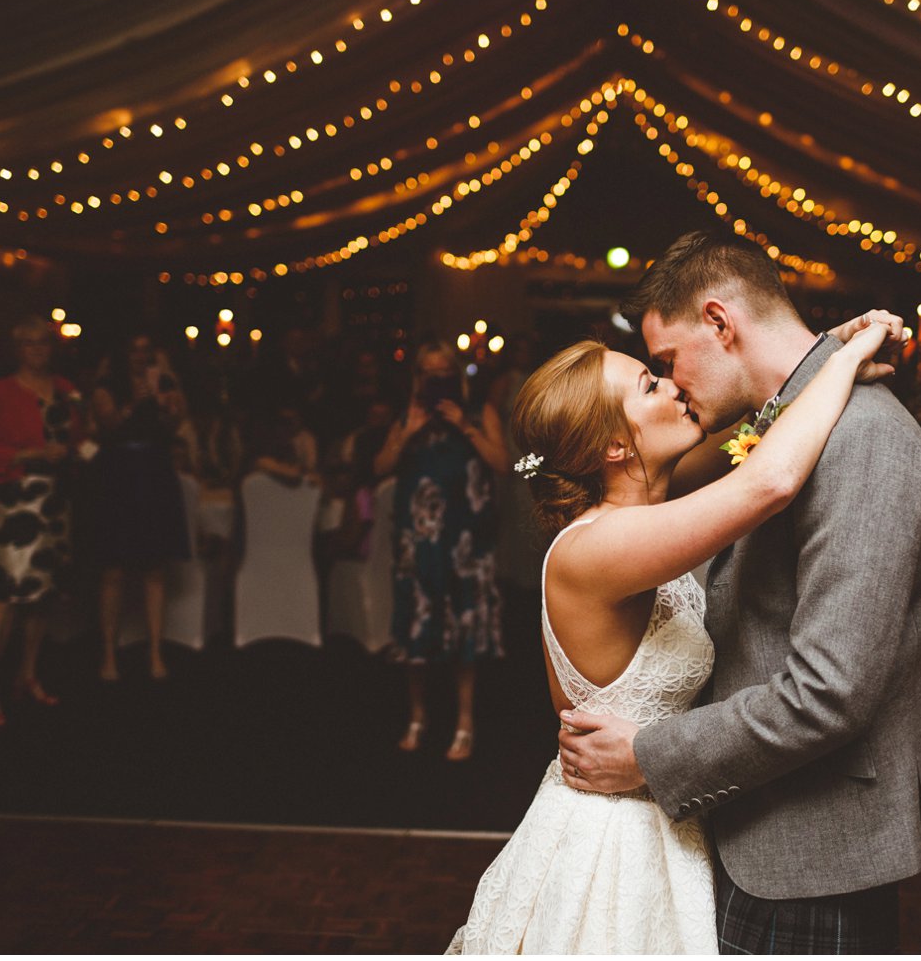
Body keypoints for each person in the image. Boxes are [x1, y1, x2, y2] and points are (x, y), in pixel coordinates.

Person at [553, 231, 921, 954]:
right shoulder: (790, 422)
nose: (674, 384)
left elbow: (829, 691)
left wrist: (652, 754)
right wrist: (837, 356)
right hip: (761, 828)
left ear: (720, 322)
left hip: (812, 847)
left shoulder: (863, 438)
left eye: (667, 363)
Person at [448, 310, 894, 953]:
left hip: (665, 813)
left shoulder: (658, 498)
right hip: (610, 838)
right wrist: (847, 362)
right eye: (650, 386)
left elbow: (764, 420)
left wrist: (822, 348)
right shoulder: (595, 548)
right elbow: (769, 479)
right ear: (613, 446)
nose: (674, 386)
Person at [374, 343, 510, 761]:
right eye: (428, 373)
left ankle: (464, 722)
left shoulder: (477, 412)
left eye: (443, 372)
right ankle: (417, 717)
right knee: (417, 628)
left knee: (464, 632)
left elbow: (503, 464)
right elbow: (379, 468)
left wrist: (465, 428)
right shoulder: (407, 415)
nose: (436, 380)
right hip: (418, 541)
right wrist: (409, 431)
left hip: (466, 541)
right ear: (418, 377)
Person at [0, 316, 86, 726]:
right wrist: (31, 455)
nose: (38, 350)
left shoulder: (65, 390)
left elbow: (79, 437)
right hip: (17, 500)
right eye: (30, 343)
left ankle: (27, 674)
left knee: (43, 592)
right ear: (17, 348)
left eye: (44, 343)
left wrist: (83, 452)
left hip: (55, 500)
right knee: (4, 593)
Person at [89, 333, 191, 681]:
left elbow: (174, 426)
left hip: (154, 471)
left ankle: (156, 654)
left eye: (147, 350)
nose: (140, 356)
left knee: (154, 567)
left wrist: (169, 403)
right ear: (123, 353)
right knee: (113, 569)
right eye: (134, 349)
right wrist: (134, 400)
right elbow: (109, 425)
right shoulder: (107, 385)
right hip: (118, 472)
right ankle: (108, 656)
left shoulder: (160, 381)